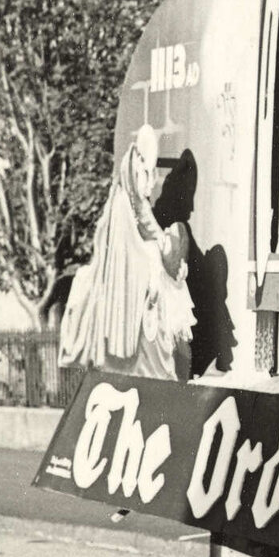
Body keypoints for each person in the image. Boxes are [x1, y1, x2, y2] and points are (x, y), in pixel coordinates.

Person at [59, 122, 195, 381]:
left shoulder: (134, 201)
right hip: (131, 270)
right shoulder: (124, 201)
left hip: (143, 263)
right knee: (156, 268)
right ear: (138, 169)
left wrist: (166, 249)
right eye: (147, 174)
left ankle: (166, 365)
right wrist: (159, 251)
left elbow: (150, 228)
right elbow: (132, 239)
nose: (151, 183)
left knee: (163, 273)